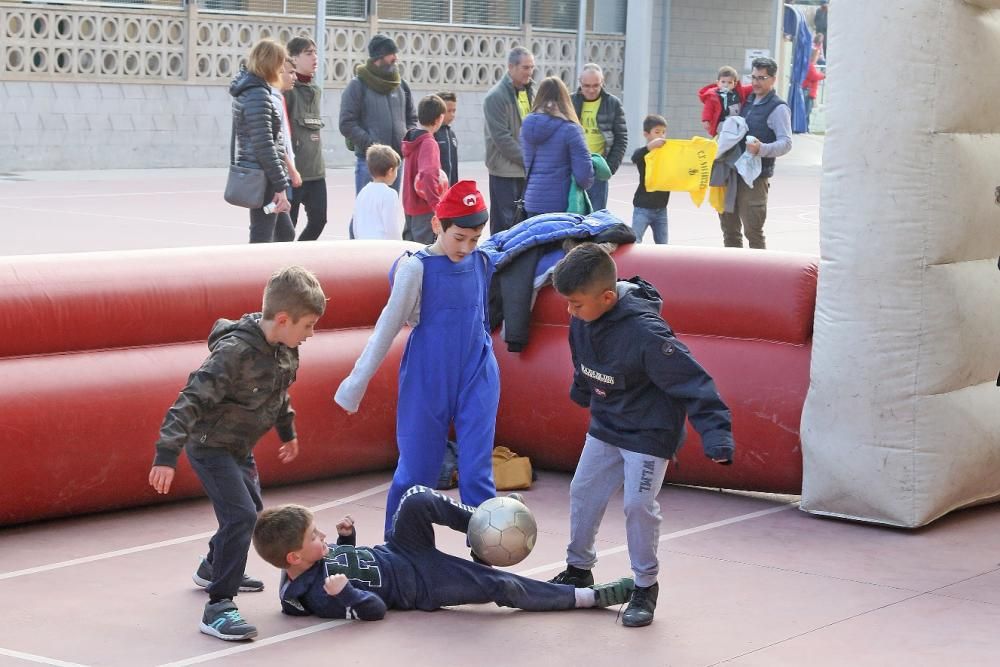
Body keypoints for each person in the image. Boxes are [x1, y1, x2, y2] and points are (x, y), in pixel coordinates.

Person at [546, 244, 735, 628]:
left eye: (576, 304)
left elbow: (693, 382)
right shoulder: (582, 318)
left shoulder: (645, 333)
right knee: (583, 490)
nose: (570, 311)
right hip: (607, 424)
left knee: (637, 505)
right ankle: (579, 568)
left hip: (649, 433)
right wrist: (582, 390)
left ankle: (645, 587)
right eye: (566, 303)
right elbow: (582, 359)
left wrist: (716, 436)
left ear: (608, 297)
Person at [148, 266, 327, 641]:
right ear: (282, 319)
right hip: (209, 446)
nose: (312, 334)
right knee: (242, 516)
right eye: (308, 325)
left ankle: (213, 565)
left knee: (249, 510)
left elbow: (279, 393)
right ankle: (218, 606)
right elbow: (190, 399)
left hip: (239, 447)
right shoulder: (234, 353)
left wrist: (287, 430)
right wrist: (167, 454)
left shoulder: (285, 349)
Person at [335, 182, 500, 536]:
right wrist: (355, 384)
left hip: (477, 372)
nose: (467, 247)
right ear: (437, 224)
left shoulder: (482, 260)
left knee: (477, 471)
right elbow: (386, 328)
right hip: (428, 376)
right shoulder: (417, 268)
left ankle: (485, 557)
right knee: (416, 471)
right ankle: (397, 550)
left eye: (475, 238)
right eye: (459, 237)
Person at [252, 486, 635, 620]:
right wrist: (345, 594)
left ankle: (487, 522)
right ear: (294, 559)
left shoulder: (310, 559)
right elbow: (373, 609)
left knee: (417, 499)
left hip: (399, 549)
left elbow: (350, 562)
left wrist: (347, 540)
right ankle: (586, 597)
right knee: (499, 586)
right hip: (421, 585)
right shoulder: (320, 595)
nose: (322, 537)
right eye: (314, 536)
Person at [718, 56, 792, 249]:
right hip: (731, 173)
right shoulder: (745, 99)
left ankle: (760, 276)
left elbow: (786, 143)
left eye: (762, 78)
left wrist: (762, 149)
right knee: (729, 229)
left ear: (773, 79)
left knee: (753, 231)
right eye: (754, 77)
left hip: (756, 178)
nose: (756, 82)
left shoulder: (778, 108)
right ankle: (733, 273)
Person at [229, 39, 294, 243]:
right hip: (263, 176)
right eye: (280, 63)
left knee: (284, 233)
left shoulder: (250, 89)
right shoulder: (257, 94)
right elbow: (265, 145)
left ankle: (273, 273)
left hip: (262, 172)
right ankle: (257, 274)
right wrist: (280, 185)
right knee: (262, 235)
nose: (283, 68)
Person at [340, 34, 417, 194]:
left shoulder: (401, 85)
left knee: (388, 211)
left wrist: (406, 139)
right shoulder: (358, 85)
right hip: (369, 164)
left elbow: (411, 118)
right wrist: (373, 146)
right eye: (391, 54)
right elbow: (346, 123)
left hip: (395, 163)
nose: (395, 58)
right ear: (378, 57)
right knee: (365, 214)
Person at [519, 76, 594, 218]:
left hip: (532, 201)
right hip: (561, 205)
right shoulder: (570, 129)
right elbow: (584, 176)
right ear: (565, 98)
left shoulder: (526, 127)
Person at [483, 46, 536, 235]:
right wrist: (530, 160)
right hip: (504, 171)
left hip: (525, 169)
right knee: (504, 225)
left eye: (532, 67)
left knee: (523, 224)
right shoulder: (496, 97)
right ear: (511, 67)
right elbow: (502, 138)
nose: (530, 72)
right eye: (525, 67)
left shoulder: (530, 92)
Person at [284, 36, 328, 241]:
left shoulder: (315, 91)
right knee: (287, 227)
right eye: (308, 53)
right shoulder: (287, 92)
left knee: (319, 220)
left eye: (315, 52)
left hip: (315, 172)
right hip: (294, 172)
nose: (315, 57)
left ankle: (298, 256)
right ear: (293, 58)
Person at [569, 63, 628, 211]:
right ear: (579, 83)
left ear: (602, 83)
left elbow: (621, 138)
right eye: (586, 86)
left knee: (596, 219)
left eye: (596, 85)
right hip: (572, 169)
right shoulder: (569, 102)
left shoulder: (613, 103)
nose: (591, 90)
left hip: (597, 169)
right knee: (570, 215)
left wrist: (609, 168)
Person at [401, 95, 448, 244]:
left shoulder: (412, 139)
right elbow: (428, 173)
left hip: (410, 207)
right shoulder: (429, 142)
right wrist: (436, 204)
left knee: (409, 250)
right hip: (424, 209)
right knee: (424, 253)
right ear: (440, 118)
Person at [630, 115, 671, 244]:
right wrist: (650, 147)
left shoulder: (667, 153)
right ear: (646, 134)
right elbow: (635, 157)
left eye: (664, 132)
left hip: (661, 208)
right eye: (657, 132)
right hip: (642, 207)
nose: (661, 136)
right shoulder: (644, 153)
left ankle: (663, 264)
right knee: (635, 240)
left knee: (663, 244)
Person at [353, 144, 402, 240]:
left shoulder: (363, 192)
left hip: (363, 244)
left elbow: (355, 224)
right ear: (390, 171)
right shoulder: (390, 194)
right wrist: (399, 245)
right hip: (382, 247)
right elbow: (392, 227)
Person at [273, 57, 302, 203]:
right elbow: (275, 142)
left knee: (278, 222)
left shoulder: (279, 98)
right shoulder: (272, 100)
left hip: (280, 173)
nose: (295, 77)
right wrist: (291, 170)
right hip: (276, 175)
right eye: (290, 72)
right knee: (266, 220)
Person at [698, 65, 747, 138]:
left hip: (736, 122)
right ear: (718, 82)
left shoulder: (738, 92)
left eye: (729, 82)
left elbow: (750, 88)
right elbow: (708, 109)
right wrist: (706, 120)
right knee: (722, 138)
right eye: (723, 82)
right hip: (722, 122)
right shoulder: (713, 96)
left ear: (735, 84)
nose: (726, 85)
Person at [801, 36, 826, 133]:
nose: (817, 58)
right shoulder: (810, 66)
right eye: (817, 56)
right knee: (806, 112)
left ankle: (806, 128)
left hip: (809, 91)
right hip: (808, 91)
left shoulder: (809, 65)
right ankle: (804, 128)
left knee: (808, 111)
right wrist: (823, 75)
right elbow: (814, 76)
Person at [434, 91, 459, 186]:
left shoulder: (451, 134)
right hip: (437, 187)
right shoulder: (432, 134)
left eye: (454, 111)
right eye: (448, 111)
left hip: (451, 187)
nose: (452, 115)